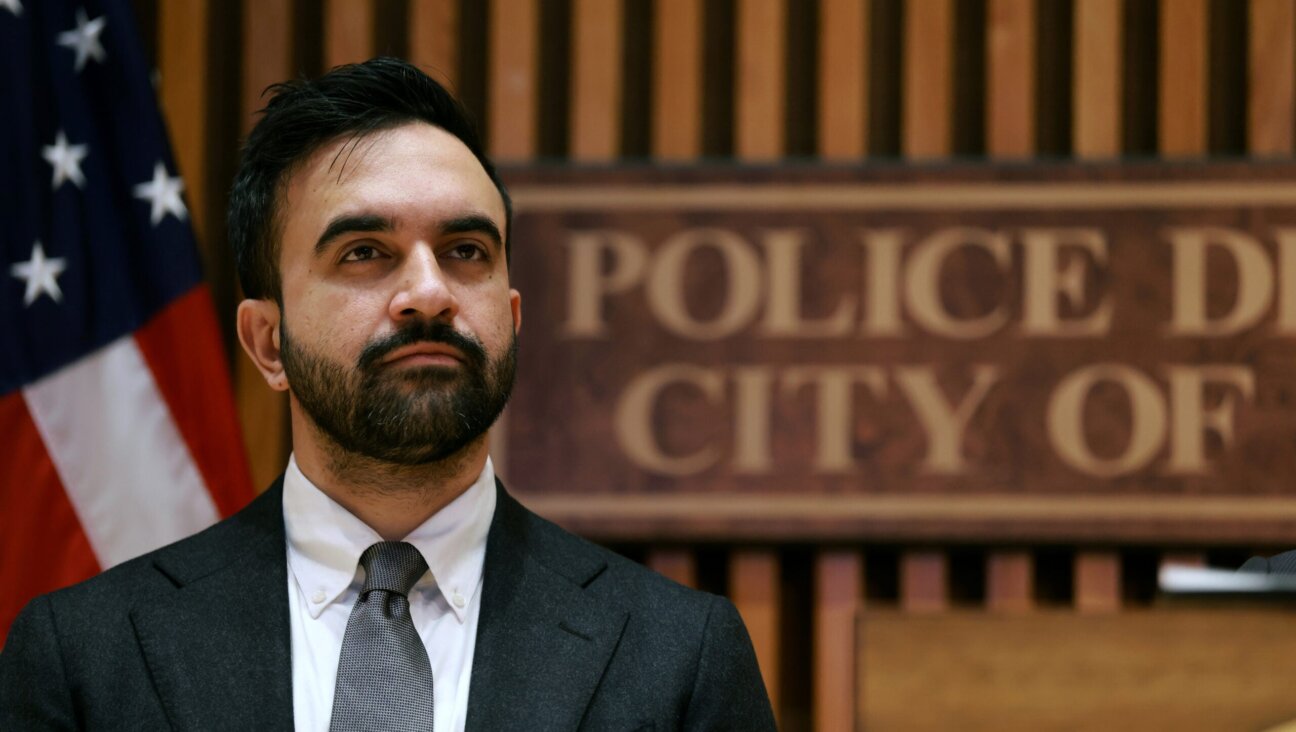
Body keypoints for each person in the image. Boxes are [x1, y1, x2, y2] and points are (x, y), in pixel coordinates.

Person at [0, 57, 776, 731]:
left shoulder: (679, 653)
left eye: (466, 250)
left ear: (510, 320)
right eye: (365, 252)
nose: (429, 293)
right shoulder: (86, 654)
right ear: (269, 342)